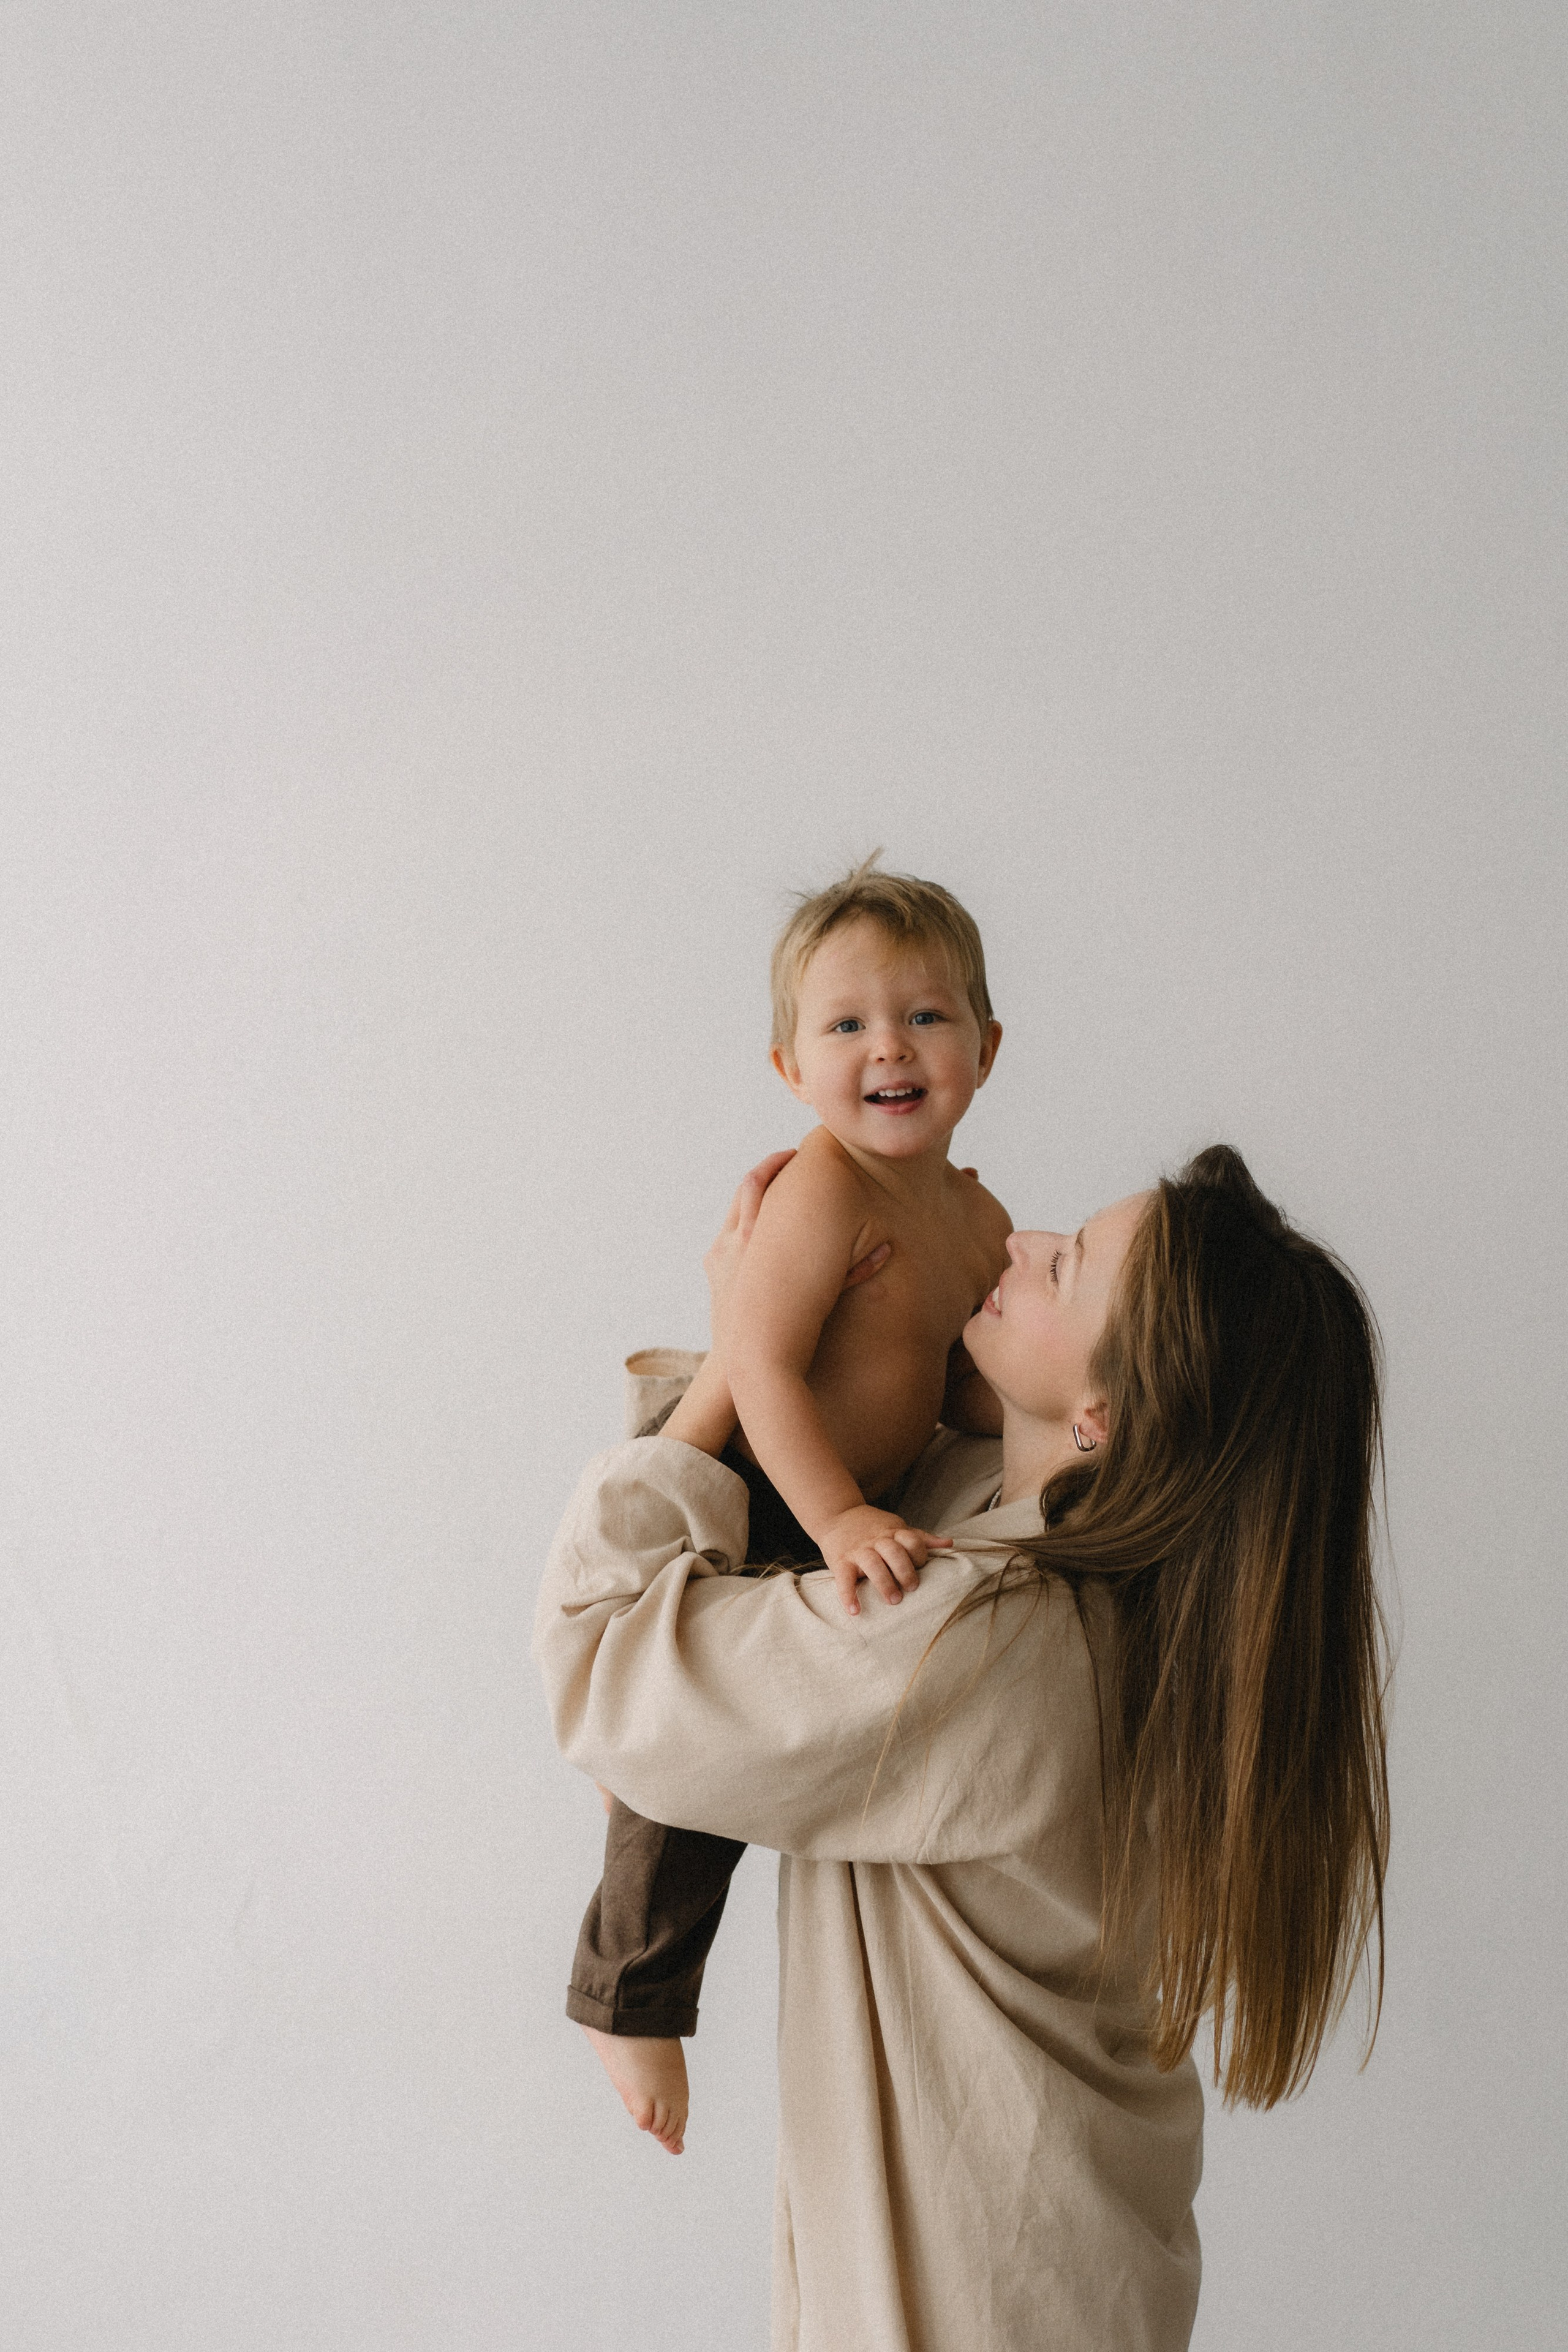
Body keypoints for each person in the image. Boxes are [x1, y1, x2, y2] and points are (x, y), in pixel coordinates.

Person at [535, 1143, 1390, 2352]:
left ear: (1101, 1414)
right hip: (1050, 2274)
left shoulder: (983, 1632)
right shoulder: (1037, 1544)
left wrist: (741, 1349)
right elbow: (831, 1470)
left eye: (1069, 1266)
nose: (1021, 1246)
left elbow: (604, 1662)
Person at [567, 858, 1012, 2152]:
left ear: (984, 1047)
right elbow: (755, 1363)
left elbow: (956, 1383)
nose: (889, 1047)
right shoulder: (823, 1188)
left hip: (832, 1495)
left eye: (925, 1017)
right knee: (685, 1766)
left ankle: (635, 1766)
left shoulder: (973, 1215)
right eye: (847, 1024)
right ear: (788, 1069)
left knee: (736, 1739)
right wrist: (829, 1520)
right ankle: (627, 1994)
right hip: (739, 1475)